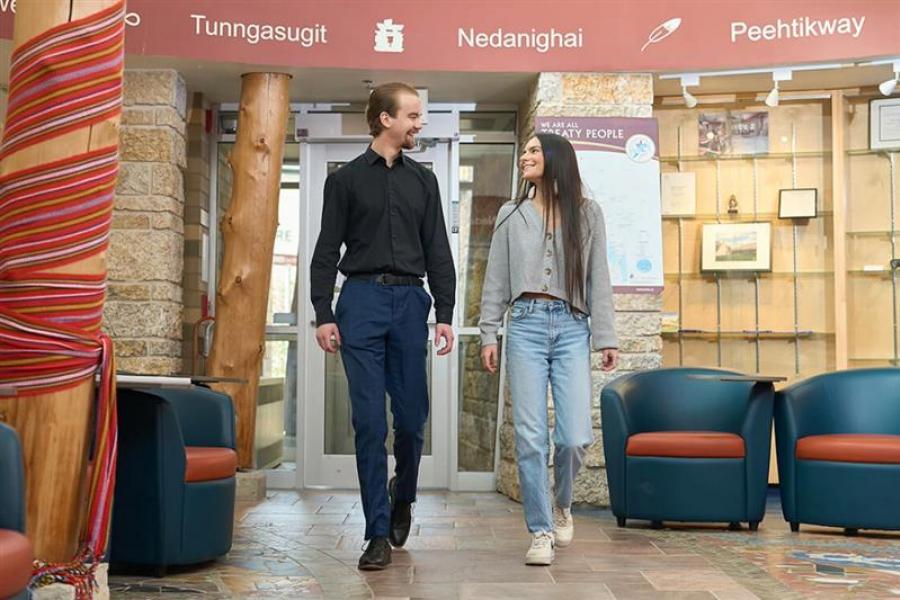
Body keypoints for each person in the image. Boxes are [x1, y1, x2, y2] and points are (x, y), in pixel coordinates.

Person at [309, 82, 456, 571]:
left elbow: (439, 250)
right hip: (362, 302)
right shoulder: (346, 181)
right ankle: (375, 532)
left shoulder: (423, 181)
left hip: (412, 302)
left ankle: (403, 495)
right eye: (413, 115)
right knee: (369, 423)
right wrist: (323, 313)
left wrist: (447, 314)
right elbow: (326, 252)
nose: (420, 123)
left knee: (412, 420)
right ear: (385, 119)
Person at [479, 132, 618, 566]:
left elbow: (599, 276)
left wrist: (606, 336)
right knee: (530, 437)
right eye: (525, 150)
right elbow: (496, 278)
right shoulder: (511, 213)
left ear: (556, 158)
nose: (526, 156)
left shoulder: (588, 213)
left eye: (535, 150)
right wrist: (489, 333)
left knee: (575, 435)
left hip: (573, 328)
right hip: (524, 326)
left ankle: (562, 503)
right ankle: (540, 530)